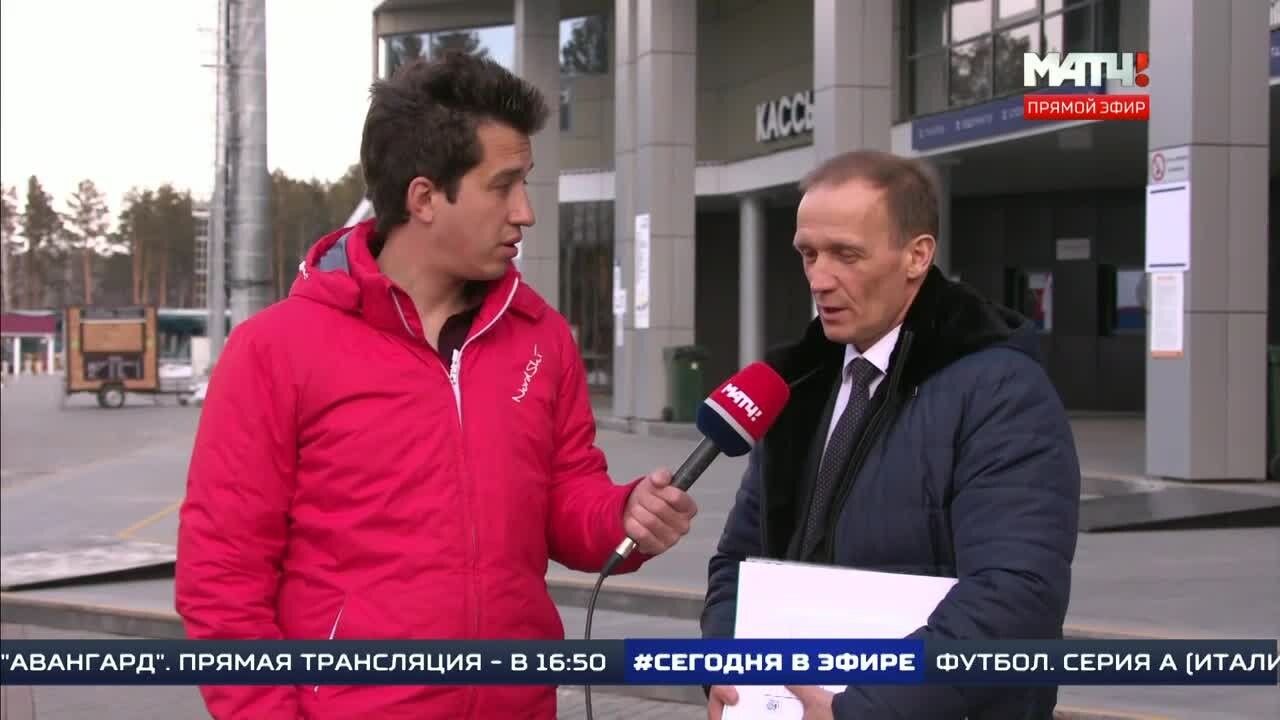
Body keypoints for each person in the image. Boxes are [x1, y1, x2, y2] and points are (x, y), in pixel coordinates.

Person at [175, 52, 698, 719]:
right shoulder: (274, 350)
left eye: (525, 183)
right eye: (503, 186)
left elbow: (565, 498)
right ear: (423, 198)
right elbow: (221, 581)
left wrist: (621, 516)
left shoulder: (541, 336)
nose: (526, 212)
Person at [701, 150, 1080, 719]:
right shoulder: (800, 384)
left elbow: (1015, 596)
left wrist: (866, 707)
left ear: (917, 256)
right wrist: (723, 666)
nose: (819, 279)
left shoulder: (1001, 390)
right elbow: (738, 561)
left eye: (846, 255)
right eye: (808, 254)